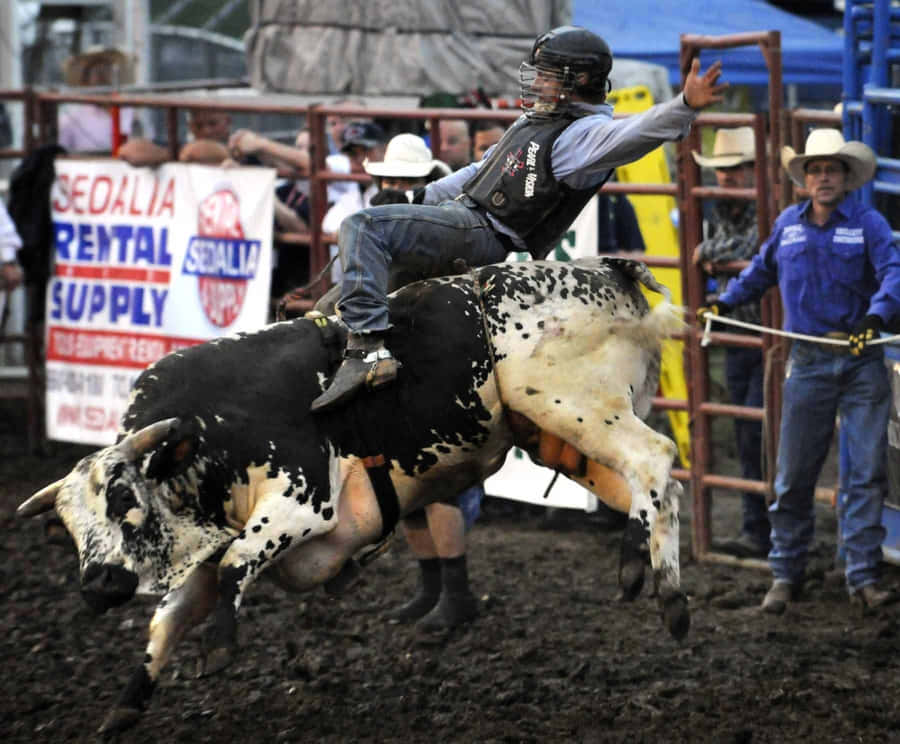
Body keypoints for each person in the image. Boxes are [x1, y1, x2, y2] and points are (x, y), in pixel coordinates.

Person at [311, 25, 727, 412]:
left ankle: (369, 352)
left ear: (578, 80)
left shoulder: (583, 136)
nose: (537, 80)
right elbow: (479, 172)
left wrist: (683, 105)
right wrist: (418, 196)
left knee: (361, 225)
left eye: (547, 73)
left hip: (483, 232)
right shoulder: (542, 120)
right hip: (464, 219)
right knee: (336, 304)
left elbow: (633, 134)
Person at [698, 128, 900, 613]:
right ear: (804, 178)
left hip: (859, 359)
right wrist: (724, 301)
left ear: (846, 177)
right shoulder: (788, 225)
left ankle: (861, 575)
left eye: (831, 169)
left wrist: (876, 316)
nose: (824, 177)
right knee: (793, 473)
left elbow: (894, 271)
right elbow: (760, 272)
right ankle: (786, 573)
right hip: (809, 363)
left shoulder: (869, 225)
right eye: (816, 169)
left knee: (866, 471)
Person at [691, 126, 769, 559]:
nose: (726, 177)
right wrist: (714, 250)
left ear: (754, 170)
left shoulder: (765, 205)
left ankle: (765, 529)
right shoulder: (723, 205)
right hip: (741, 332)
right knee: (747, 432)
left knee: (759, 431)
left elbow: (754, 250)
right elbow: (731, 247)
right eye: (722, 170)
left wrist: (710, 251)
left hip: (770, 334)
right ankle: (757, 529)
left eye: (735, 169)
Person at [58, 47, 143, 153]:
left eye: (106, 69)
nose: (102, 76)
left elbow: (141, 144)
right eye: (95, 71)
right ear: (85, 80)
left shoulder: (129, 111)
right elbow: (61, 153)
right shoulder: (71, 116)